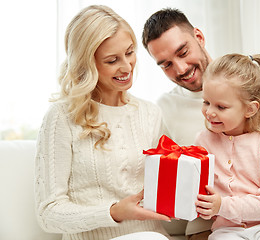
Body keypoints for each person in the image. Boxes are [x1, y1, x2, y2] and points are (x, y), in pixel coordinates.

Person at [142, 8, 260, 240]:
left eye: (183, 52)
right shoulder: (165, 108)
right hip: (211, 227)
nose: (181, 68)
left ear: (199, 37)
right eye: (166, 64)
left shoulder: (258, 81)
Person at [34, 5, 171, 240]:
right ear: (87, 64)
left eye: (129, 52)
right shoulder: (61, 117)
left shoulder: (150, 113)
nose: (127, 67)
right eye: (112, 60)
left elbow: (165, 189)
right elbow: (49, 213)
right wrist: (113, 212)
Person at [194, 53, 260, 240]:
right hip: (227, 229)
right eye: (206, 102)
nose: (209, 112)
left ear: (250, 109)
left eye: (221, 107)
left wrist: (223, 206)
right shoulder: (203, 142)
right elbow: (198, 193)